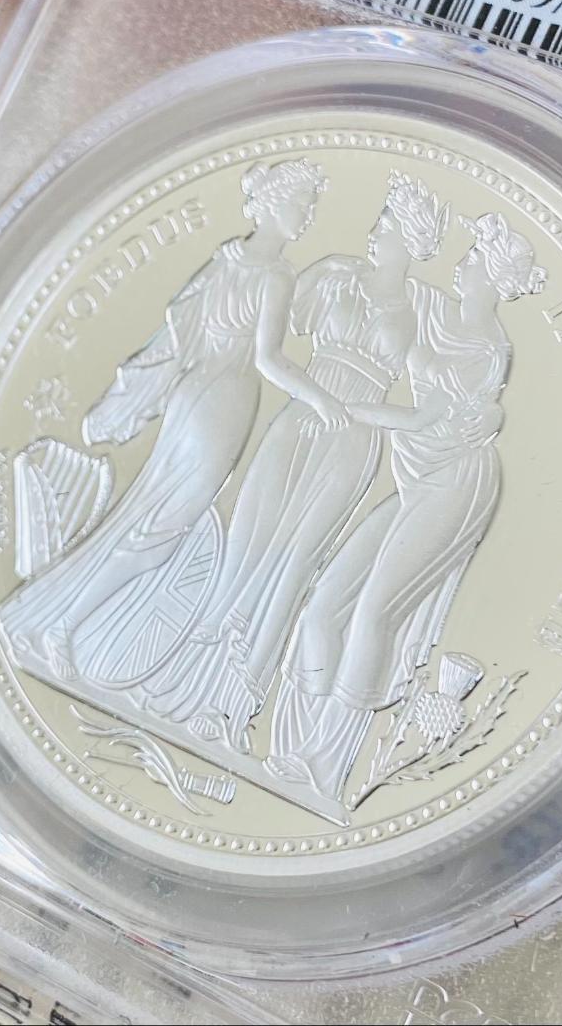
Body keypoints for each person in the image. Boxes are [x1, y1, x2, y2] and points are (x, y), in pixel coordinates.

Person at [135, 173, 451, 750]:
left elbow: (432, 407)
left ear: (411, 241)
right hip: (299, 420)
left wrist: (364, 413)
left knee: (292, 565)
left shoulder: (422, 313)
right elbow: (268, 341)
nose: (374, 231)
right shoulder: (333, 274)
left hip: (351, 443)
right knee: (246, 545)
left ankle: (232, 709)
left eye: (387, 226)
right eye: (379, 220)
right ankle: (180, 679)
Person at [0, 159, 339, 682]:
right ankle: (61, 627)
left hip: (192, 394)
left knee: (144, 516)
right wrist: (321, 400)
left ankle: (50, 620)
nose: (308, 216)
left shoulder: (224, 259)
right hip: (225, 400)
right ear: (273, 206)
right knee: (160, 530)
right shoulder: (275, 275)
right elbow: (269, 359)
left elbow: (176, 337)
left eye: (310, 207)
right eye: (302, 204)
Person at [266, 212, 547, 804]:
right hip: (415, 481)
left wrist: (339, 406)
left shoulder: (487, 352)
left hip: (454, 486)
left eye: (474, 259)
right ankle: (292, 748)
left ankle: (326, 766)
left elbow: (422, 418)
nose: (461, 263)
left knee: (374, 615)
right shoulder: (435, 308)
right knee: (324, 605)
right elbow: (387, 286)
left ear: (494, 279)